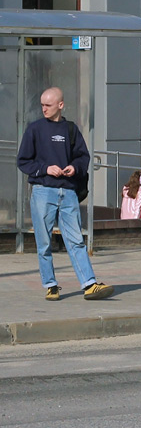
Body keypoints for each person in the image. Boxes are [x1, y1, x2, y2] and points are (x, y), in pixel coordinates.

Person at [16, 87, 114, 301]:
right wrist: (44, 169)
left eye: (48, 105)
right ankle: (50, 285)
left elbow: (82, 156)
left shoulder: (70, 129)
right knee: (44, 242)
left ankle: (89, 284)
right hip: (43, 191)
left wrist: (74, 168)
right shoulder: (34, 129)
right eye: (42, 104)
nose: (43, 109)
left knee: (76, 240)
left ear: (60, 105)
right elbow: (23, 161)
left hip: (67, 191)